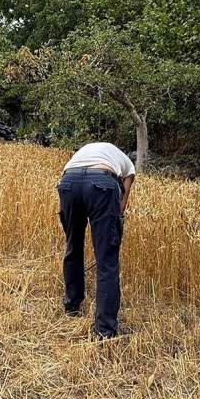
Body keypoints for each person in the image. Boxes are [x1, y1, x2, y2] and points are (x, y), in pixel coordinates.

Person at [57, 142, 136, 338]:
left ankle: (72, 306)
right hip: (102, 183)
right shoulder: (128, 166)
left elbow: (66, 176)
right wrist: (116, 220)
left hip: (68, 183)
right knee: (106, 259)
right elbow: (122, 203)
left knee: (73, 247)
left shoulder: (85, 152)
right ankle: (105, 330)